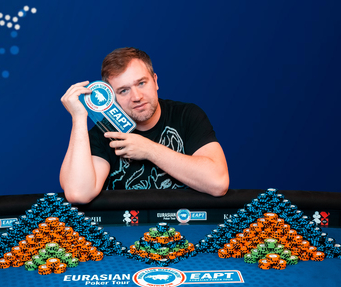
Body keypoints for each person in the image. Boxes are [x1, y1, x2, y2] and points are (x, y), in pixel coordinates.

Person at [59, 47, 229, 204]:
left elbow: (218, 183)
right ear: (111, 97)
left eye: (141, 83)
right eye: (123, 90)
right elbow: (78, 193)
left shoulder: (187, 116)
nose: (136, 97)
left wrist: (149, 150)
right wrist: (79, 118)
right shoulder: (105, 133)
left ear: (155, 81)